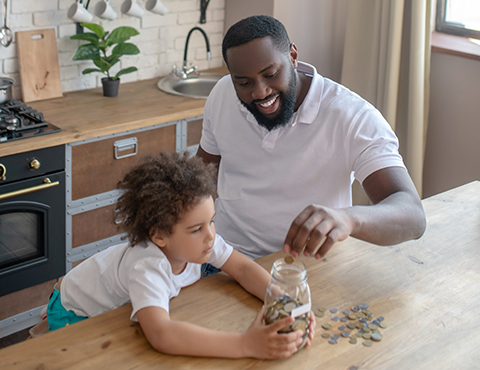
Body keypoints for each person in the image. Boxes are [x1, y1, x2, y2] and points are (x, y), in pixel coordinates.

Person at [196, 15, 426, 261]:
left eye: (271, 74)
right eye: (244, 82)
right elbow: (200, 177)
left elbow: (412, 215)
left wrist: (349, 218)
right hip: (223, 258)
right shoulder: (222, 94)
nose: (260, 91)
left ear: (293, 57)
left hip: (305, 267)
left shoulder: (352, 117)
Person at [46, 151, 314, 359]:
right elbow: (162, 334)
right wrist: (246, 344)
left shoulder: (204, 241)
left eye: (211, 221)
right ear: (159, 235)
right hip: (74, 311)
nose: (211, 235)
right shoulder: (147, 266)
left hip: (114, 299)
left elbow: (242, 269)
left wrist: (285, 302)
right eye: (196, 229)